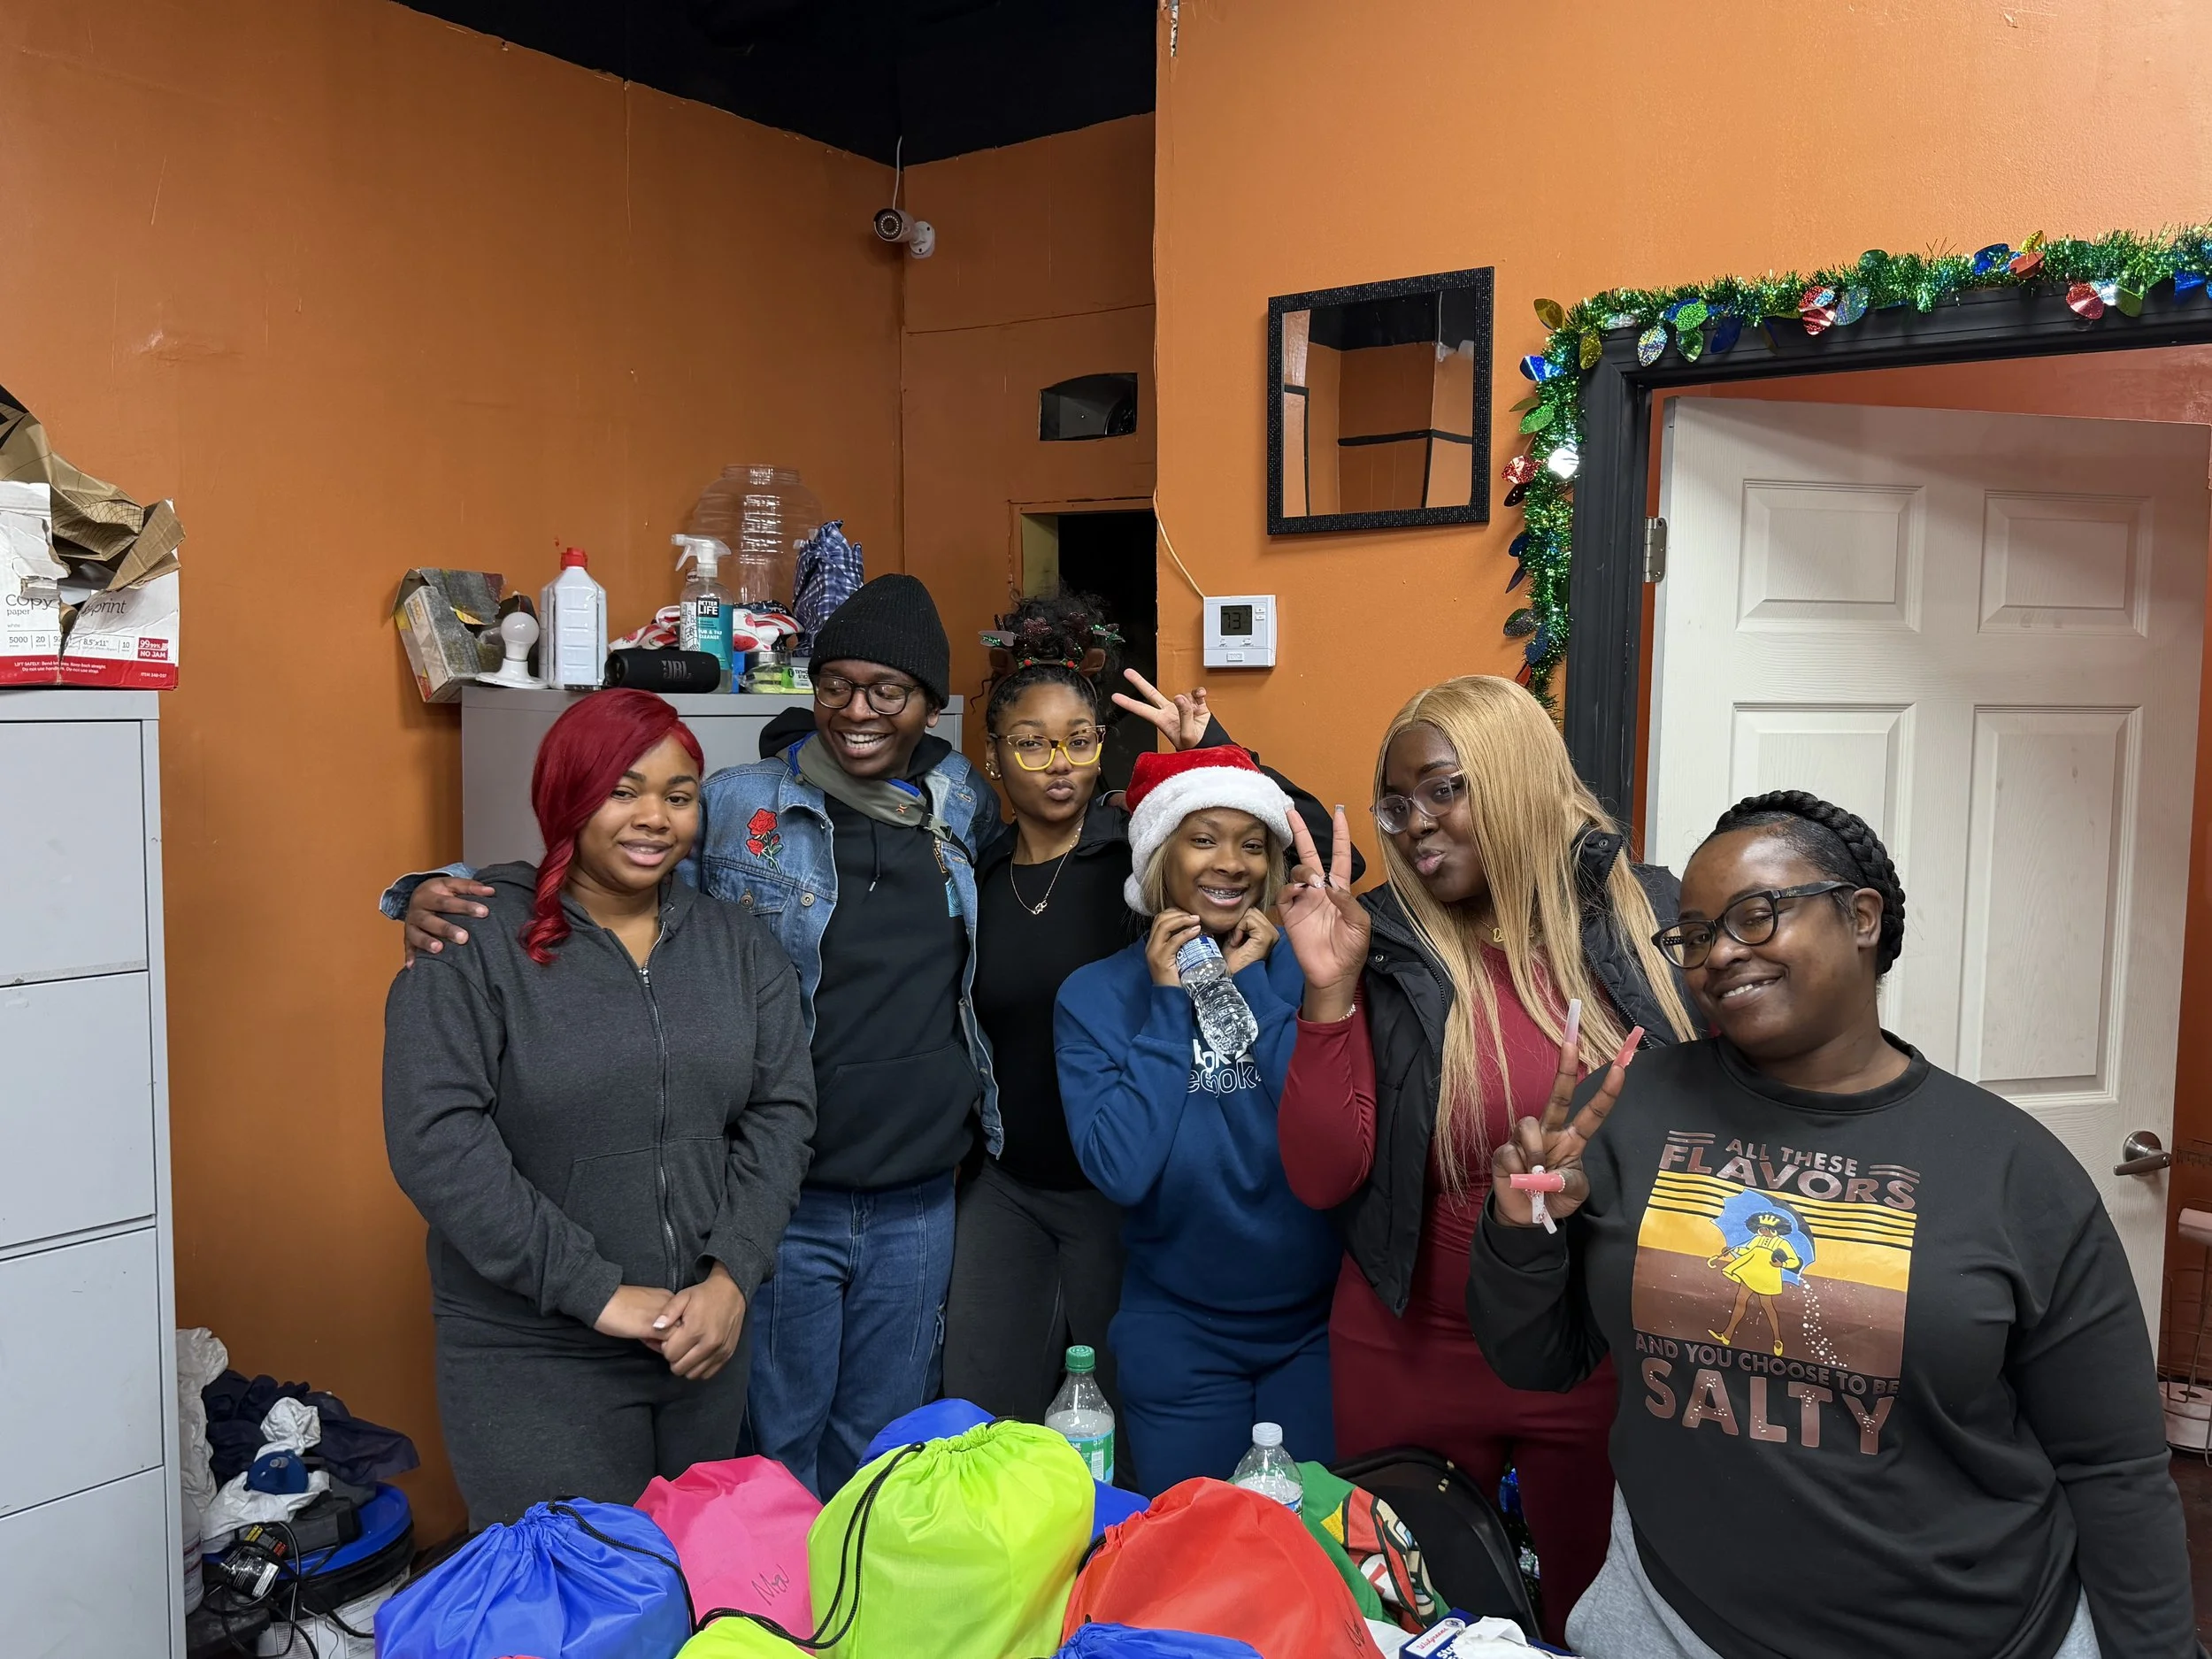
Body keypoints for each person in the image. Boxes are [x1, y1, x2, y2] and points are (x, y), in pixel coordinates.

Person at [1468, 789, 2197, 1658]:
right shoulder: (1623, 1114)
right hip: (1676, 1621)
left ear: (1860, 915)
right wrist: (1522, 1229)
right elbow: (1536, 1360)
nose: (1716, 955)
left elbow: (2112, 1466)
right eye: (1693, 934)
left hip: (1977, 1633)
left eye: (1754, 914)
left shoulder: (2011, 1169)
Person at [393, 574, 999, 1499]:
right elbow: (590, 852)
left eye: (892, 689)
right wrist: (433, 888)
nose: (859, 709)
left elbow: (775, 1096)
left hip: (900, 1201)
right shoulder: (740, 805)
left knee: (875, 1470)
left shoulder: (958, 808)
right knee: (762, 1479)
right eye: (836, 683)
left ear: (931, 705)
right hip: (771, 1220)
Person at [1274, 674, 1696, 1642]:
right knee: (1416, 1624)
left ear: (1511, 778)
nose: (1416, 823)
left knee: (1597, 1620)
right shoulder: (1378, 944)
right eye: (1397, 802)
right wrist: (1327, 996)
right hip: (1408, 1350)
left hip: (1596, 1353)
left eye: (1445, 789)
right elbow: (1321, 1175)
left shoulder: (1648, 920)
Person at [382, 690, 815, 1528]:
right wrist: (596, 1290)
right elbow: (436, 1141)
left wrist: (731, 1277)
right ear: (568, 797)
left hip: (697, 1345)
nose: (654, 817)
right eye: (622, 790)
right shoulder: (471, 939)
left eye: (679, 795)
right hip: (533, 1354)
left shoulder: (737, 945)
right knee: (568, 1610)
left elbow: (781, 1113)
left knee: (694, 1602)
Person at [945, 590, 1355, 1427]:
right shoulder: (973, 870)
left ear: (1102, 753)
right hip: (1017, 1170)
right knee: (987, 1396)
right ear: (996, 759)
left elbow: (1280, 833)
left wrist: (1216, 751)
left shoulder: (1140, 848)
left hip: (1128, 1180)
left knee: (1121, 1410)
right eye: (1032, 745)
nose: (1057, 762)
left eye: (1078, 742)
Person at [1055, 747, 1340, 1494]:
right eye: (1205, 837)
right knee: (1192, 1557)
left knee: (1310, 1558)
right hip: (1178, 1332)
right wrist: (1167, 1001)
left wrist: (1262, 993)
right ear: (1161, 855)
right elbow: (1120, 1168)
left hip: (1312, 1331)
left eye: (1252, 844)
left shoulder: (1305, 971)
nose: (1232, 863)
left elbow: (1327, 1140)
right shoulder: (1093, 996)